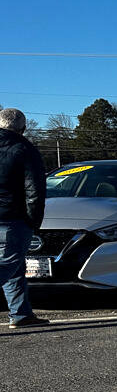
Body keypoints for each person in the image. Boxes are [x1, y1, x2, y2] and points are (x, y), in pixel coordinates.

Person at [0, 107, 49, 328]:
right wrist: (34, 221)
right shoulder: (25, 149)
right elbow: (35, 191)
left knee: (15, 267)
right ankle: (20, 314)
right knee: (7, 265)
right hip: (12, 217)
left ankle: (20, 313)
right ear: (24, 128)